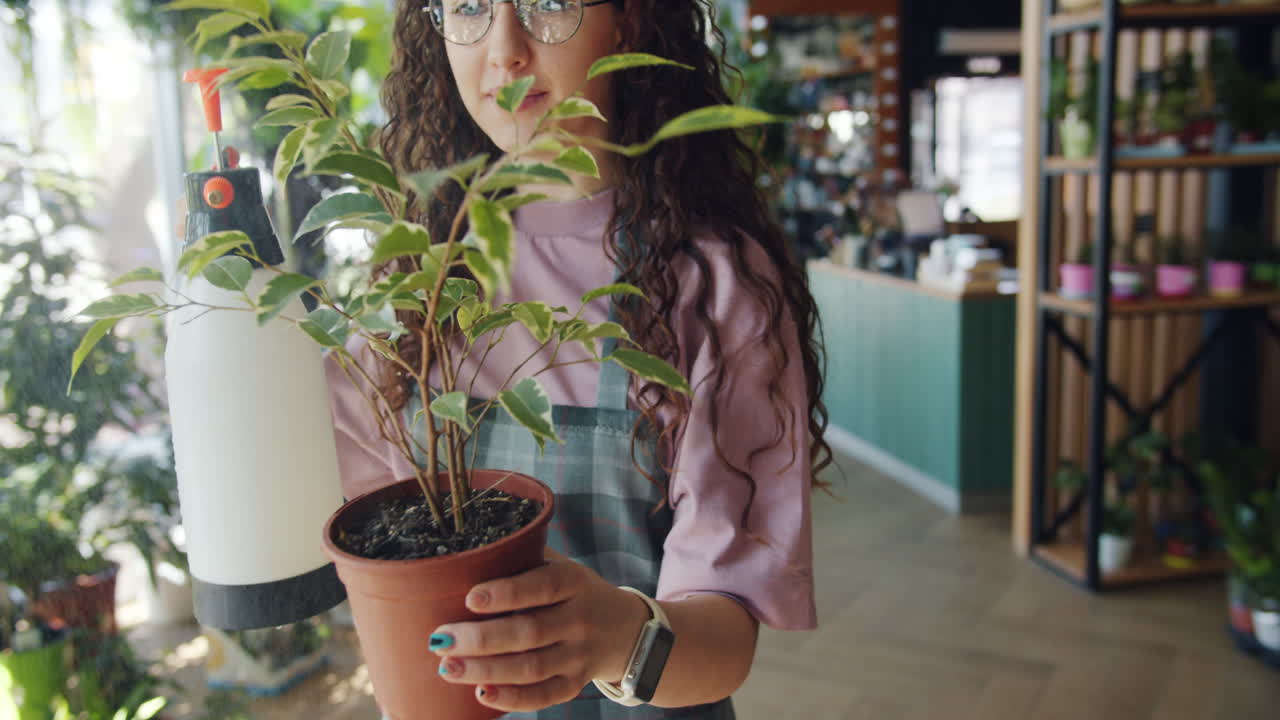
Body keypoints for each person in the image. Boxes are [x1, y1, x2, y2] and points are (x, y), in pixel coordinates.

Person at [324, 1, 833, 717]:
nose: (504, 50)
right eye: (468, 7)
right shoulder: (411, 290)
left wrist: (610, 637)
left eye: (550, 3)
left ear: (628, 22)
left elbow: (725, 647)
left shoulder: (710, 287)